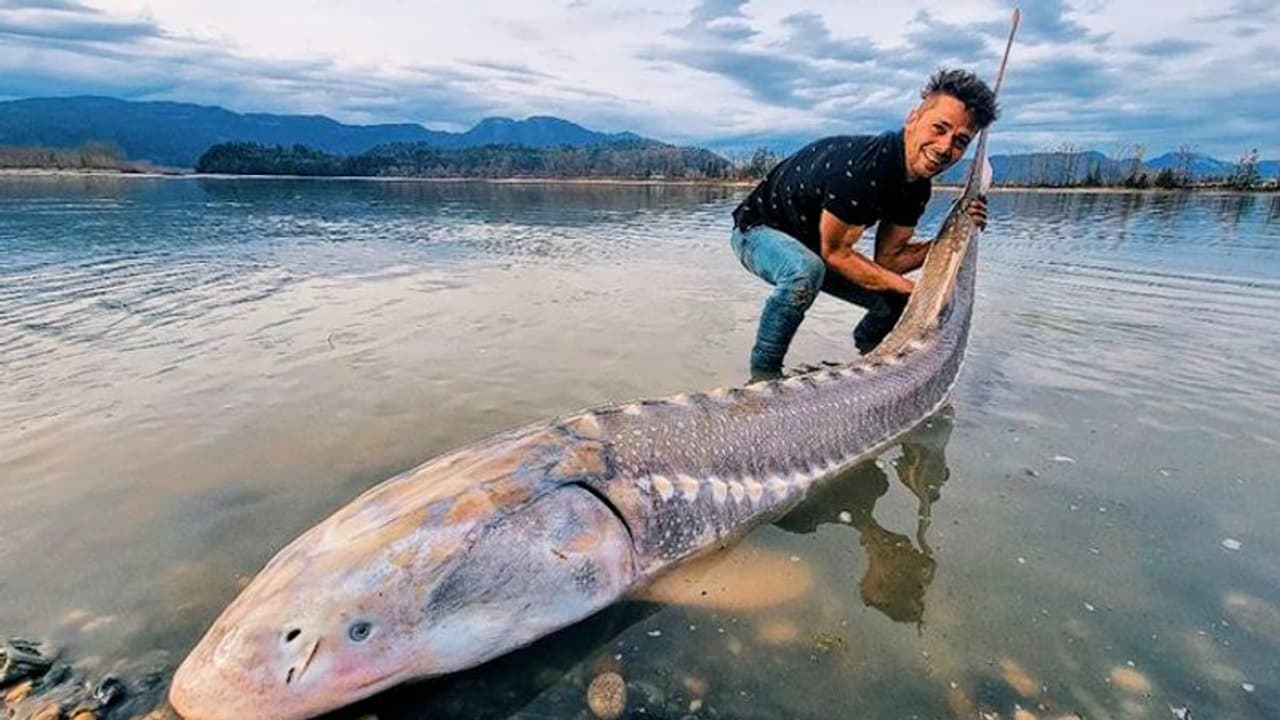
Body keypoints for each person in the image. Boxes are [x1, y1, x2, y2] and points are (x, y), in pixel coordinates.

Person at [731, 69, 999, 382]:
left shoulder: (917, 188)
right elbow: (836, 255)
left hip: (817, 248)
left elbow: (891, 261)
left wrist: (956, 236)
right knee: (804, 272)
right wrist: (922, 294)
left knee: (896, 300)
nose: (944, 147)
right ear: (913, 118)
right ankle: (762, 379)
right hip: (758, 231)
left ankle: (869, 359)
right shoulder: (864, 167)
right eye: (939, 128)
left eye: (960, 141)